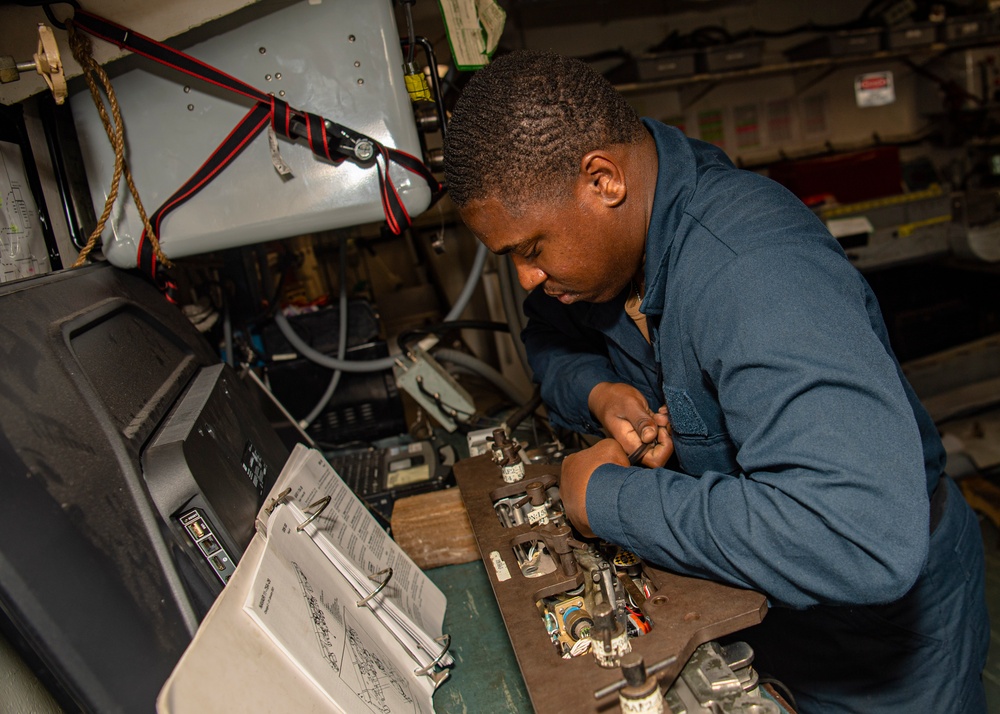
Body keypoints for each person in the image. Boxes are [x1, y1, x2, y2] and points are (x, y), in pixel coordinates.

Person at [442, 49, 990, 712]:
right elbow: (547, 341)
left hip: (878, 632)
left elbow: (857, 535)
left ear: (603, 180)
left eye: (530, 249)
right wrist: (600, 390)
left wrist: (607, 501)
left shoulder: (753, 272)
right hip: (757, 600)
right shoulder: (606, 252)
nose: (527, 277)